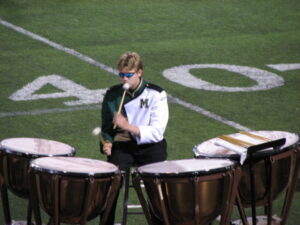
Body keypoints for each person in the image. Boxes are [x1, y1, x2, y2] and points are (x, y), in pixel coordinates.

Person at [100, 51, 169, 225]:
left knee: (157, 188)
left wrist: (127, 125)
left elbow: (157, 132)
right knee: (110, 185)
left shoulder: (156, 94)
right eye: (121, 75)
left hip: (152, 147)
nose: (124, 79)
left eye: (128, 75)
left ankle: (160, 221)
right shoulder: (112, 95)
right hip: (123, 146)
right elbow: (107, 127)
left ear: (139, 73)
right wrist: (107, 142)